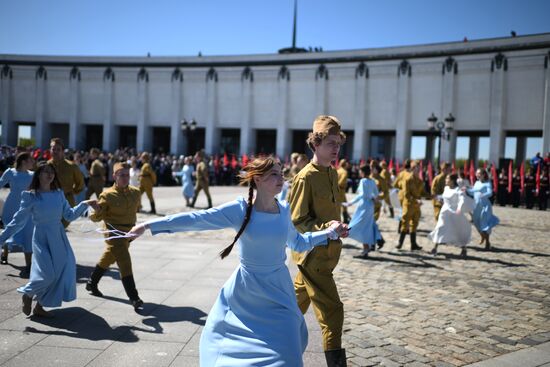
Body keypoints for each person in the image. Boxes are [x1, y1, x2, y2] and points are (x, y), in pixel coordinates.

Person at [127, 156, 348, 367]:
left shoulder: (284, 210)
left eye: (281, 174)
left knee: (288, 353)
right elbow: (198, 219)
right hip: (245, 294)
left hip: (279, 293)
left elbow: (299, 243)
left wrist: (329, 232)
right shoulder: (240, 209)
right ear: (258, 179)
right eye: (274, 175)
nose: (281, 179)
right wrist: (149, 226)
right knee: (232, 353)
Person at [286, 115, 348, 365]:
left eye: (339, 144)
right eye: (331, 143)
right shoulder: (305, 177)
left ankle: (267, 348)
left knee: (290, 311)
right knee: (333, 313)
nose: (336, 149)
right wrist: (327, 228)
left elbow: (330, 212)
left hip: (327, 255)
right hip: (313, 257)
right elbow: (297, 221)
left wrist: (338, 228)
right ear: (315, 144)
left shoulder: (332, 174)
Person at [0, 162, 97, 317]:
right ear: (38, 174)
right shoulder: (30, 195)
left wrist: (85, 204)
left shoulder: (58, 193)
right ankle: (28, 294)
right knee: (47, 274)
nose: (49, 174)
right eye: (45, 171)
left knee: (61, 271)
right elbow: (18, 221)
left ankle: (39, 306)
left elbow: (69, 215)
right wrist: (2, 238)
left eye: (51, 171)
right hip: (41, 238)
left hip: (59, 238)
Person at [86, 162, 143, 310]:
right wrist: (97, 209)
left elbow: (134, 213)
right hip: (113, 233)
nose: (125, 178)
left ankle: (92, 283)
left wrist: (135, 231)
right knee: (124, 261)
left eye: (127, 175)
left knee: (109, 256)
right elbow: (96, 217)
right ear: (114, 176)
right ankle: (134, 297)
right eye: (121, 175)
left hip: (128, 234)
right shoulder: (107, 195)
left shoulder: (136, 192)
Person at [0, 152, 35, 276]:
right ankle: (4, 254)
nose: (33, 162)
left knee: (27, 235)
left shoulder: (33, 175)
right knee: (9, 230)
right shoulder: (10, 172)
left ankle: (29, 265)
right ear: (24, 161)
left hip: (26, 208)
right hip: (11, 206)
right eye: (31, 160)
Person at [428, 173, 475, 257]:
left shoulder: (458, 190)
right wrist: (436, 197)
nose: (446, 180)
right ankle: (434, 248)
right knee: (440, 228)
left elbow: (462, 200)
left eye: (447, 179)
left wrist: (459, 208)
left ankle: (464, 248)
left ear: (452, 181)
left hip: (454, 213)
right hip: (444, 212)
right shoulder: (446, 188)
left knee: (457, 231)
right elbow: (443, 197)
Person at [344, 165, 383, 259]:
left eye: (360, 171)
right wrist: (373, 198)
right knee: (367, 226)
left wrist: (350, 203)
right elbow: (377, 195)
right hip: (370, 206)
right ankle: (368, 246)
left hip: (363, 206)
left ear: (363, 172)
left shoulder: (363, 181)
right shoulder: (372, 181)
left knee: (356, 225)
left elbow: (361, 195)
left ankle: (366, 248)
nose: (359, 173)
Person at [48, 138, 85, 227]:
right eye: (53, 149)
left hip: (66, 201)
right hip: (48, 201)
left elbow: (80, 183)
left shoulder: (71, 166)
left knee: (61, 226)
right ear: (50, 150)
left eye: (58, 149)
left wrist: (71, 192)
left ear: (62, 151)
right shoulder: (46, 166)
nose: (55, 152)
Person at [467, 168, 499, 249]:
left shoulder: (487, 183)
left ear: (483, 175)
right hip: (476, 206)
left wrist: (484, 195)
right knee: (476, 222)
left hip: (485, 206)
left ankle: (487, 242)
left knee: (485, 224)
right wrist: (466, 190)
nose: (477, 175)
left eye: (479, 174)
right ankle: (483, 236)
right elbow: (472, 191)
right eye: (476, 173)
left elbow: (490, 192)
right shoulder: (476, 182)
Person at [396, 161, 424, 251]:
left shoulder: (420, 181)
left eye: (419, 168)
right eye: (416, 168)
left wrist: (432, 196)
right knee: (405, 223)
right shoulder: (408, 179)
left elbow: (423, 192)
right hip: (408, 205)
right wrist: (416, 200)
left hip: (416, 206)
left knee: (414, 224)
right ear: (412, 169)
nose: (418, 170)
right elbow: (406, 194)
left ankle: (413, 244)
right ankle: (400, 243)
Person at [336, 159, 350, 223]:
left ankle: (344, 219)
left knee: (339, 205)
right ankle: (344, 220)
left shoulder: (338, 170)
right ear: (345, 164)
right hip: (341, 190)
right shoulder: (344, 172)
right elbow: (341, 182)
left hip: (336, 190)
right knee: (343, 205)